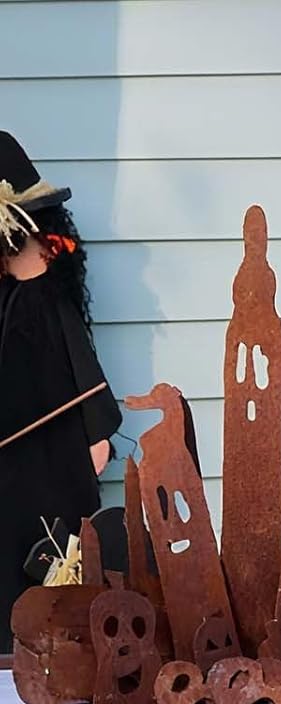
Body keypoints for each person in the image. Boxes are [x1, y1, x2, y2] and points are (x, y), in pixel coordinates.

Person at [0, 131, 121, 652]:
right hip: (8, 453)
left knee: (50, 549)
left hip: (56, 454)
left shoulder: (47, 300)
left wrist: (96, 429)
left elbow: (80, 360)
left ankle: (59, 650)